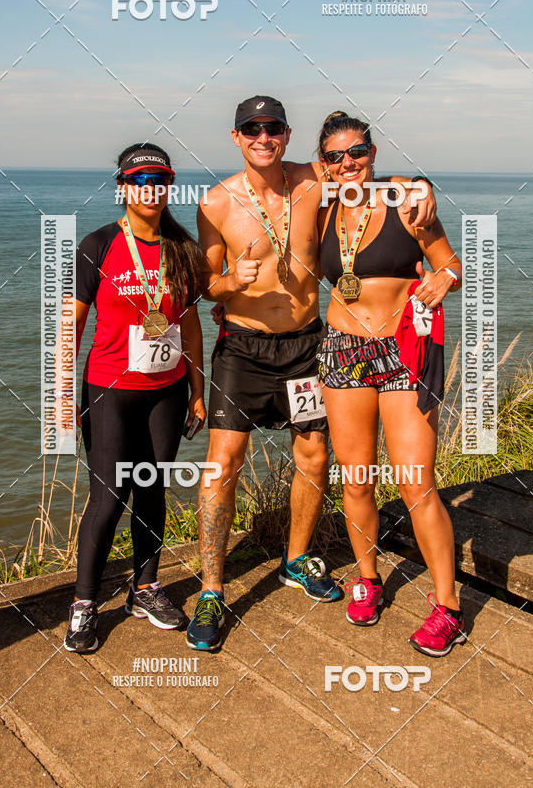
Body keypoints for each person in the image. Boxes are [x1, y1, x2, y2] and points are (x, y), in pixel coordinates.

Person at [187, 97, 437, 652]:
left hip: (304, 347)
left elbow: (366, 175)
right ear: (236, 136)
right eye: (252, 128)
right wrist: (231, 282)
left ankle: (296, 560)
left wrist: (420, 185)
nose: (263, 137)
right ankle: (211, 589)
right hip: (243, 349)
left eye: (273, 127)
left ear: (286, 134)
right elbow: (206, 285)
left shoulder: (312, 180)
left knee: (315, 454)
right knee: (223, 462)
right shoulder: (215, 202)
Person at [316, 111, 465, 657]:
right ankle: (368, 579)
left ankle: (448, 606)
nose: (348, 163)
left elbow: (451, 265)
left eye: (357, 152)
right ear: (324, 164)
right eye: (335, 156)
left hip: (404, 351)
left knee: (415, 482)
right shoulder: (322, 208)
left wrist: (442, 281)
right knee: (356, 478)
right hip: (343, 350)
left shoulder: (406, 202)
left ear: (373, 153)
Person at [63, 143, 205, 653]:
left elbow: (190, 323)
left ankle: (144, 589)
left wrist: (198, 389)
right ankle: (83, 603)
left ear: (169, 186)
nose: (150, 189)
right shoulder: (98, 244)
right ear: (123, 187)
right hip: (110, 391)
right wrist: (62, 392)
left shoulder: (182, 248)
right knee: (108, 498)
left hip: (166, 391)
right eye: (139, 180)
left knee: (152, 490)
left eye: (159, 179)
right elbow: (72, 323)